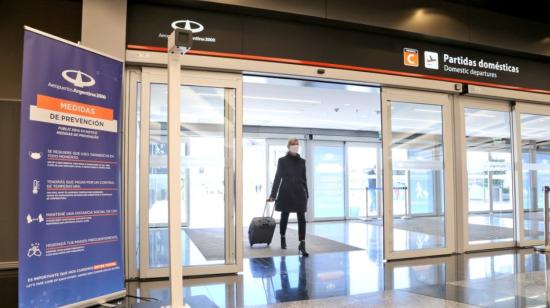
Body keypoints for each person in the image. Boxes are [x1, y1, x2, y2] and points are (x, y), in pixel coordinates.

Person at [267, 137, 309, 257]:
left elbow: (304, 179)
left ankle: (302, 243)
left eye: (297, 144)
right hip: (286, 191)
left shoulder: (302, 161)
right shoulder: (282, 161)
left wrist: (307, 193)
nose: (296, 146)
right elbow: (277, 177)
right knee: (284, 215)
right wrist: (273, 194)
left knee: (302, 218)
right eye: (293, 144)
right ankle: (283, 237)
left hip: (300, 192)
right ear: (289, 146)